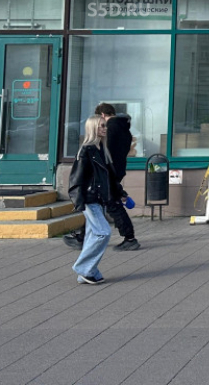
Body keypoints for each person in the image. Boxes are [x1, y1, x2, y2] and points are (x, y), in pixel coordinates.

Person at [63, 103, 141, 251]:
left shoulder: (111, 129)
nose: (103, 127)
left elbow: (104, 153)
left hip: (105, 172)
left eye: (102, 122)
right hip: (113, 170)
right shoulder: (124, 128)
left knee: (111, 204)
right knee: (97, 204)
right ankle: (82, 237)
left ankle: (129, 238)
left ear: (103, 115)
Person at [67, 116, 117, 284]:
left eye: (105, 126)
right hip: (89, 199)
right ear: (93, 128)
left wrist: (120, 193)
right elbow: (76, 178)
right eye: (101, 126)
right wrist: (79, 201)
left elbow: (109, 177)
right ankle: (83, 268)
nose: (105, 128)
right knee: (103, 233)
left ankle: (89, 271)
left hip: (100, 199)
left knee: (92, 236)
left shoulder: (102, 149)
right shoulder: (86, 150)